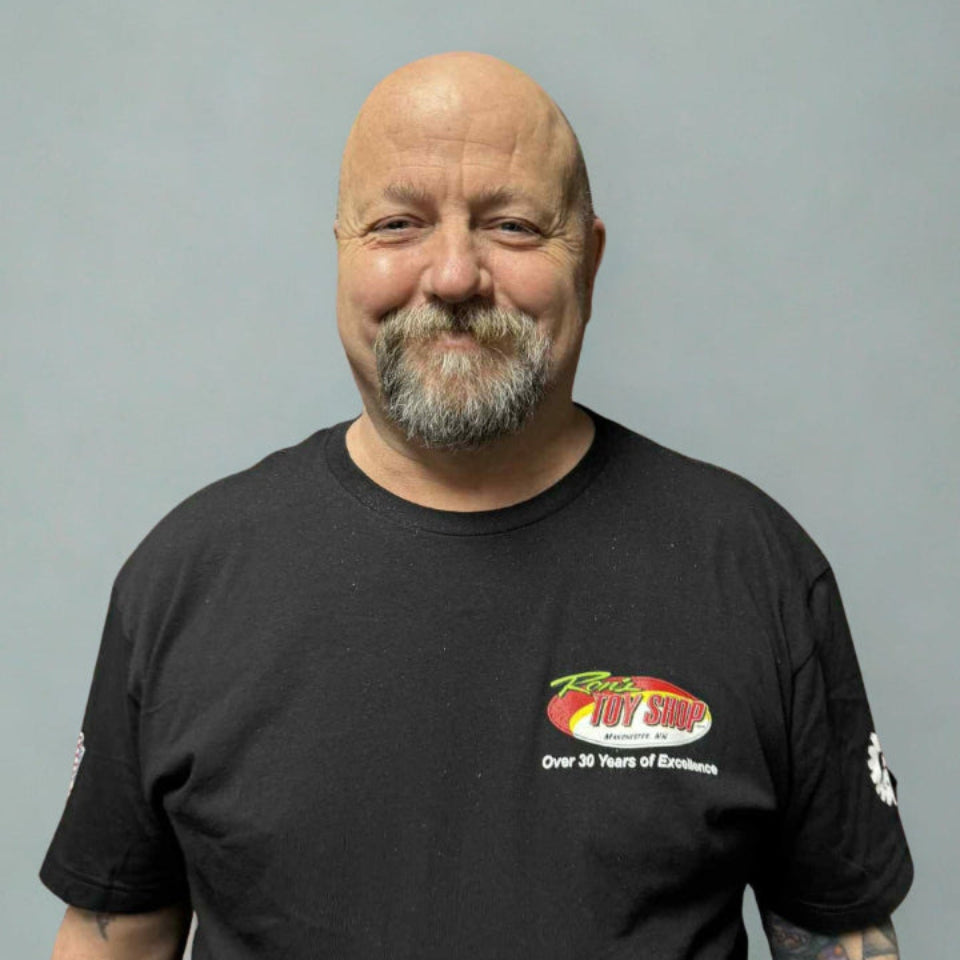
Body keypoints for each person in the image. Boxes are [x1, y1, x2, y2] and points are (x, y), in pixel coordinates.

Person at [41, 52, 912, 959]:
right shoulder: (187, 579)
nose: (454, 275)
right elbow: (115, 937)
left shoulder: (752, 569)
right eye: (397, 224)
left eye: (513, 225)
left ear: (594, 258)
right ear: (342, 252)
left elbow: (837, 933)